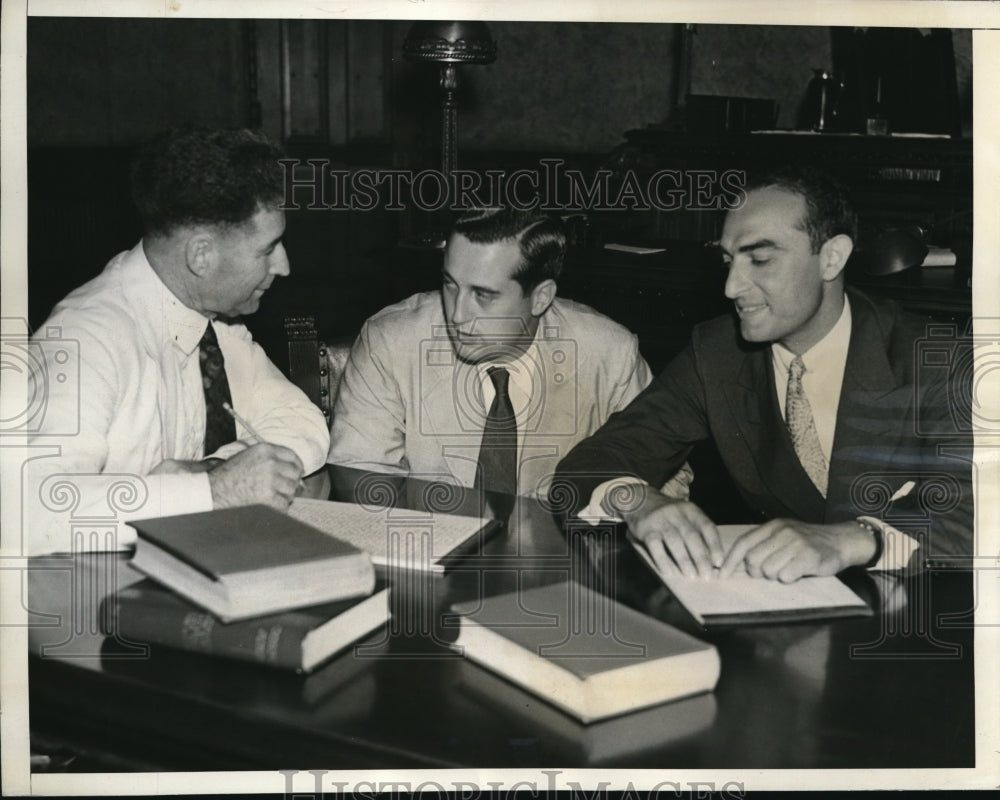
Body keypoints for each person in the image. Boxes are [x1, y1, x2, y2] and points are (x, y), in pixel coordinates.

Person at [553, 166, 973, 582]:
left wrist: (849, 540)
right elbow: (587, 466)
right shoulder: (716, 353)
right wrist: (640, 502)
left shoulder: (938, 357)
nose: (732, 287)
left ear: (831, 257)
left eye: (760, 259)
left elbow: (978, 517)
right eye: (728, 261)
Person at [25, 127, 330, 555]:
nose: (284, 266)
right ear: (201, 255)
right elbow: (27, 511)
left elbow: (302, 421)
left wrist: (214, 470)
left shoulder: (215, 323)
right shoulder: (83, 340)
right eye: (268, 249)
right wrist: (212, 492)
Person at [328, 207, 690, 501]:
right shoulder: (392, 340)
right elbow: (358, 477)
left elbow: (668, 475)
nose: (456, 315)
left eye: (483, 295)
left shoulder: (609, 352)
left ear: (541, 297)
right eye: (450, 285)